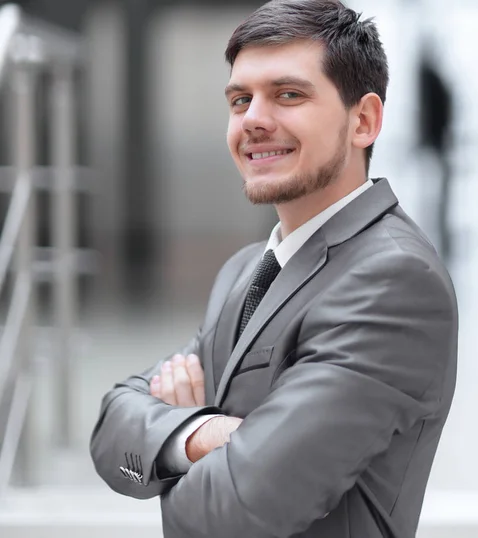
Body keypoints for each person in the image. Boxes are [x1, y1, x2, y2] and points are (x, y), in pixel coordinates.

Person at [90, 1, 458, 537]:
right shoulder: (249, 270)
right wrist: (203, 435)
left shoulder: (393, 279)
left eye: (288, 94)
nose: (254, 120)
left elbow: (238, 510)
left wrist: (168, 448)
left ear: (364, 120)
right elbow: (111, 426)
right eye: (241, 100)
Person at [416, 39, 454, 257]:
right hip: (437, 139)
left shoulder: (431, 76)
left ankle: (438, 218)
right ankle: (436, 218)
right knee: (437, 183)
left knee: (439, 183)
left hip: (437, 139)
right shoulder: (430, 77)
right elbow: (432, 110)